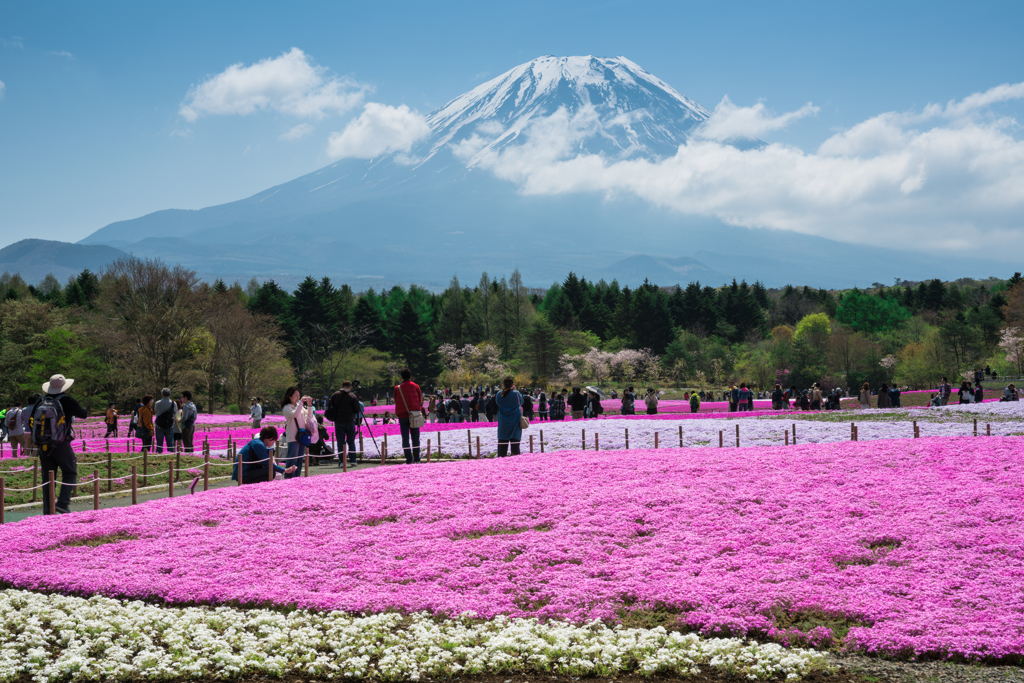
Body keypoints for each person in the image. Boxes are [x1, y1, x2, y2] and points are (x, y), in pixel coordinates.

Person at [32, 374, 88, 514]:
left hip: (44, 445)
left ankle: (48, 510)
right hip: (61, 443)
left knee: (48, 477)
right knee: (70, 471)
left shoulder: (41, 401)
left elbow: (31, 421)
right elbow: (83, 414)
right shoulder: (67, 400)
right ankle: (62, 503)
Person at [231, 426, 297, 484]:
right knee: (270, 472)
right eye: (273, 440)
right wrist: (285, 470)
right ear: (266, 437)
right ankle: (253, 488)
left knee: (269, 471)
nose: (273, 442)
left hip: (244, 472)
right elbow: (267, 463)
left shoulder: (258, 442)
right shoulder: (259, 444)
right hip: (243, 474)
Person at [281, 386, 315, 480]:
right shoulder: (286, 407)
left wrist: (309, 405)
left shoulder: (298, 406)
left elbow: (309, 415)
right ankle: (288, 478)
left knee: (300, 459)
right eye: (296, 396)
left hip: (302, 436)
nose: (298, 398)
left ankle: (297, 478)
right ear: (289, 396)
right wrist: (300, 403)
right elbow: (295, 414)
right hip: (293, 436)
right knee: (292, 459)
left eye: (299, 396)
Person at [394, 367, 424, 464]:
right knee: (415, 437)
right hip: (414, 415)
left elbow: (396, 400)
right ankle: (417, 459)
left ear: (401, 377)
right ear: (410, 376)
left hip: (403, 416)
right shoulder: (416, 386)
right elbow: (419, 401)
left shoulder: (397, 388)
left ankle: (408, 459)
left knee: (405, 438)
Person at [327, 381, 361, 467]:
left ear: (342, 386)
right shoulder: (352, 396)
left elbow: (329, 406)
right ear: (350, 387)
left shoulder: (335, 395)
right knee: (351, 442)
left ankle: (342, 461)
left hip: (339, 421)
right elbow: (357, 409)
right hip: (350, 421)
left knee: (340, 442)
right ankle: (353, 460)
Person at [495, 376, 524, 457]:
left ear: (503, 384)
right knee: (515, 448)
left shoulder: (499, 394)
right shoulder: (517, 394)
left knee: (502, 448)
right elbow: (521, 403)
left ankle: (501, 464)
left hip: (503, 423)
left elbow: (498, 403)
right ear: (512, 384)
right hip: (515, 422)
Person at [153, 388, 176, 454]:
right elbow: (175, 413)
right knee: (170, 444)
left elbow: (156, 412)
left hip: (159, 425)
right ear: (170, 394)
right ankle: (171, 456)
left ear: (162, 394)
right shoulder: (173, 403)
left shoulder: (157, 403)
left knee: (159, 444)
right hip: (169, 425)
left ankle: (159, 456)